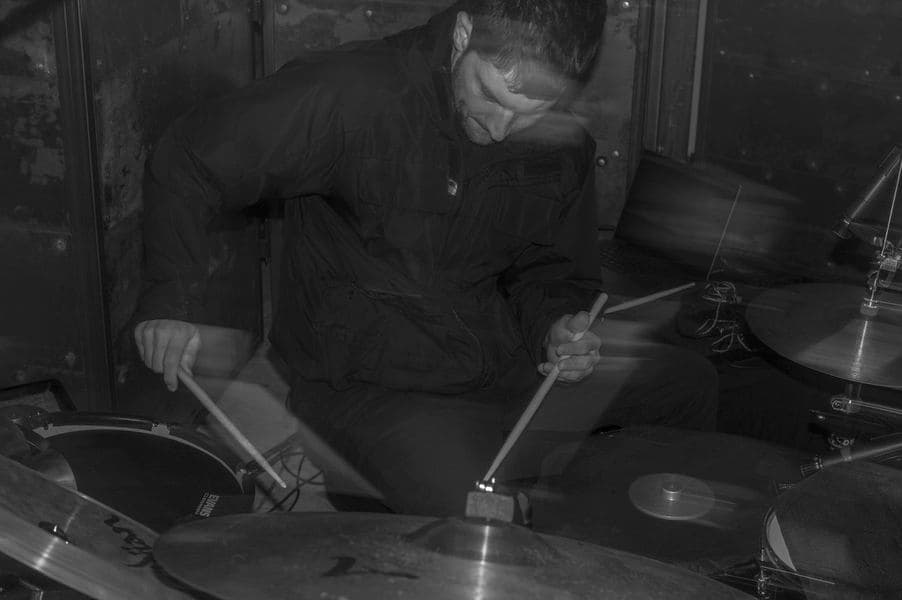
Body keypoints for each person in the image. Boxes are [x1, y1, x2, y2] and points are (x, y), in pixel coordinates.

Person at [132, 0, 718, 516]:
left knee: (687, 385)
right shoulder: (350, 94)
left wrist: (557, 327)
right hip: (370, 388)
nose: (500, 127)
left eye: (531, 111)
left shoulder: (561, 144)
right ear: (463, 35)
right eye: (490, 95)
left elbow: (550, 270)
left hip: (499, 362)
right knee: (476, 518)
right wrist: (173, 300)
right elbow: (190, 159)